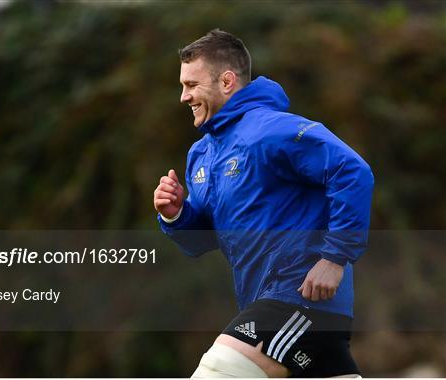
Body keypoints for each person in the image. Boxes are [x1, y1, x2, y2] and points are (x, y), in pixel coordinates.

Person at [153, 29, 374, 378]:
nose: (184, 96)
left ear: (227, 81)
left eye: (192, 85)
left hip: (300, 298)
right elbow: (204, 241)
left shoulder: (272, 129)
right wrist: (177, 214)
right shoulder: (202, 153)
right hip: (270, 303)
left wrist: (335, 257)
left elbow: (353, 172)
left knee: (217, 370)